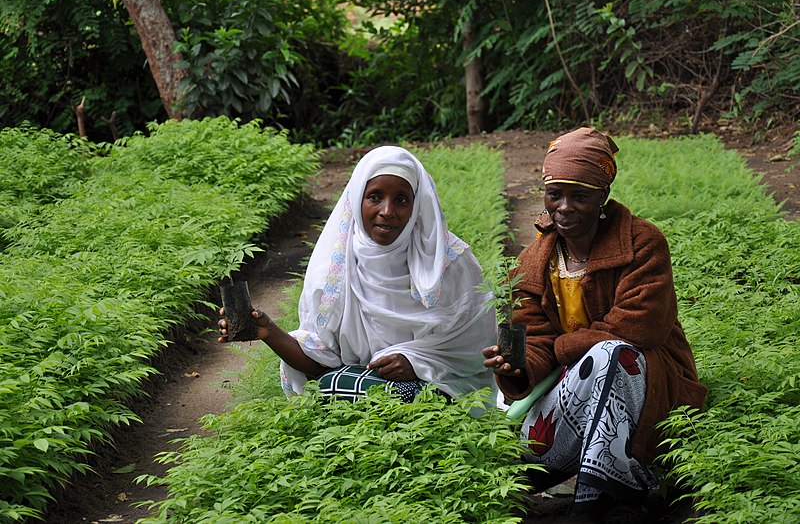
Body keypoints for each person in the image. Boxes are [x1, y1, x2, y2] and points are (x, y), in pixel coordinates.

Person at [482, 127, 707, 520]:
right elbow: (529, 335)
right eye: (555, 194)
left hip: (648, 382)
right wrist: (516, 367)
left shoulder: (643, 242)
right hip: (575, 385)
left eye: (580, 195)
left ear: (603, 196)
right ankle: (579, 479)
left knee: (611, 354)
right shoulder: (531, 261)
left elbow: (641, 327)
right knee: (501, 422)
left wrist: (564, 349)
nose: (565, 207)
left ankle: (599, 494)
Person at [219, 145, 496, 404]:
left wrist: (417, 363)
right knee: (333, 386)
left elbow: (479, 346)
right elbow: (320, 365)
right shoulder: (334, 267)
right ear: (356, 199)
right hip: (359, 395)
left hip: (444, 388)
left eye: (401, 200)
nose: (387, 212)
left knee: (395, 392)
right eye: (374, 197)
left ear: (417, 205)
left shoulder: (449, 261)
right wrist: (269, 332)